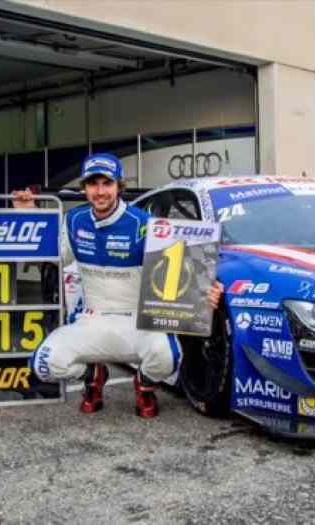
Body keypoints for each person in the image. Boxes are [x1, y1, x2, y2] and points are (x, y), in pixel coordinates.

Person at [17, 153, 223, 418]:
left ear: (119, 186)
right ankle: (92, 374)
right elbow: (45, 252)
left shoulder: (145, 224)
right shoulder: (74, 220)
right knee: (44, 364)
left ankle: (144, 384)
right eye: (93, 184)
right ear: (84, 188)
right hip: (91, 320)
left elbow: (182, 277)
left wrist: (206, 292)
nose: (100, 191)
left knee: (168, 358)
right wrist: (25, 212)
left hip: (138, 322)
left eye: (107, 183)